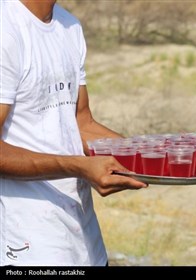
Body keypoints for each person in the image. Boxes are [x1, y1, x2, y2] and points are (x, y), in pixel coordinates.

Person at [0, 0, 148, 266]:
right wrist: (79, 167)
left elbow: (81, 122)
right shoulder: (5, 29)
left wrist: (151, 156)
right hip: (26, 244)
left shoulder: (69, 26)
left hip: (84, 240)